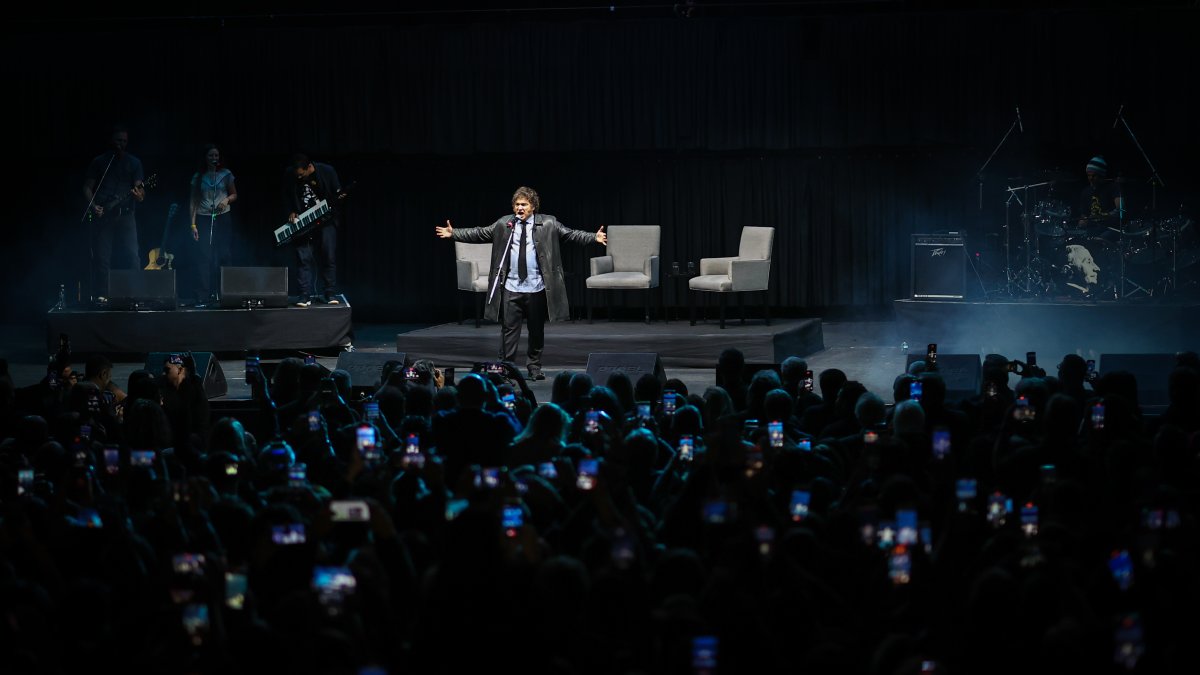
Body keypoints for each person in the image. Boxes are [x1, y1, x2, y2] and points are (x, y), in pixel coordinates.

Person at [435, 186, 606, 380]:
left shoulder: (549, 223)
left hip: (536, 287)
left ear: (533, 206)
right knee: (509, 331)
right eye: (517, 204)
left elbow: (571, 234)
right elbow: (479, 233)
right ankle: (506, 369)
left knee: (536, 330)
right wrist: (454, 233)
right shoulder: (504, 224)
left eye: (524, 204)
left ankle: (534, 367)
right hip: (511, 287)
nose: (520, 208)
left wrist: (594, 237)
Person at [83, 125, 146, 302]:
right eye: (119, 140)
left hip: (126, 215)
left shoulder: (134, 163)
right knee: (102, 257)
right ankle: (102, 295)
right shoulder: (99, 161)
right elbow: (87, 188)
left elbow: (141, 190)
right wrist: (93, 205)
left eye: (125, 141)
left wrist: (139, 195)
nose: (122, 144)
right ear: (112, 141)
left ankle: (136, 294)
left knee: (132, 255)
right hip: (104, 216)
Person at [285, 153, 344, 307]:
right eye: (296, 175)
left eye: (301, 175)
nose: (299, 178)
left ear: (309, 167)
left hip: (326, 220)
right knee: (303, 257)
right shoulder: (291, 175)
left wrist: (337, 199)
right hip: (303, 223)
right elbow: (287, 196)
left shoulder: (327, 171)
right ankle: (304, 295)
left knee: (328, 255)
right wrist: (291, 211)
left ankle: (329, 292)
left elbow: (338, 194)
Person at [189, 144, 238, 307]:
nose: (214, 159)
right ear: (205, 157)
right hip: (203, 218)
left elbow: (234, 194)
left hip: (222, 217)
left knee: (224, 254)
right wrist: (193, 224)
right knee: (203, 257)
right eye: (211, 156)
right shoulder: (198, 176)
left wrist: (226, 200)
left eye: (216, 156)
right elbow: (193, 201)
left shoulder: (226, 174)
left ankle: (227, 293)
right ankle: (202, 296)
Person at [1078, 155, 1124, 232]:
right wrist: (1083, 221)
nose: (1090, 178)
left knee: (1097, 241)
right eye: (1088, 175)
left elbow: (1121, 210)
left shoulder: (1113, 187)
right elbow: (1084, 214)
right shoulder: (1085, 192)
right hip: (1092, 229)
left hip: (1111, 229)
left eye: (1094, 175)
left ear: (1102, 175)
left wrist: (1102, 217)